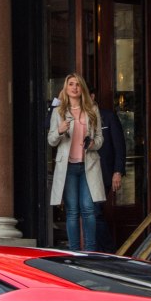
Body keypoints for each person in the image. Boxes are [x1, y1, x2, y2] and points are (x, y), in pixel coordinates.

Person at [47, 73, 104, 251]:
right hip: (68, 167)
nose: (74, 88)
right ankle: (73, 252)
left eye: (78, 85)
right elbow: (51, 140)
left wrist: (93, 144)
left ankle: (90, 252)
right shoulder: (59, 112)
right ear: (66, 88)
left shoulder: (92, 110)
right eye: (71, 84)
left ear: (82, 89)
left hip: (89, 165)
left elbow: (100, 138)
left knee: (88, 209)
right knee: (72, 211)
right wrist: (59, 130)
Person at [94, 104, 126, 252]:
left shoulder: (108, 116)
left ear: (92, 96)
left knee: (95, 211)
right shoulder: (77, 115)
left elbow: (119, 146)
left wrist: (117, 171)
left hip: (104, 173)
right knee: (90, 212)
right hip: (83, 172)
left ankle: (108, 251)